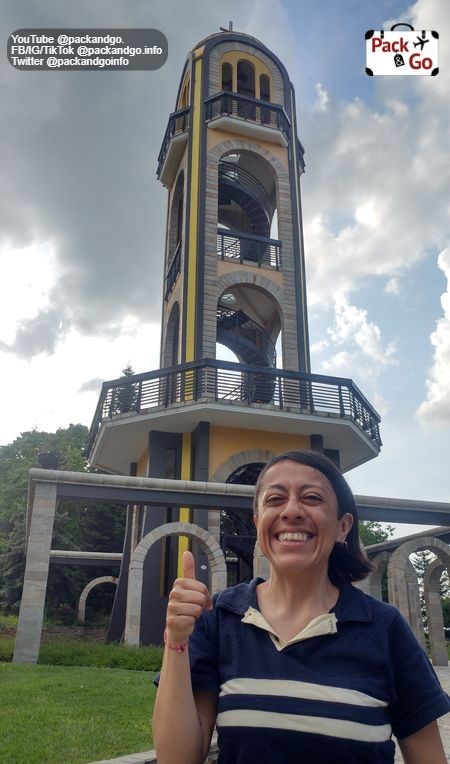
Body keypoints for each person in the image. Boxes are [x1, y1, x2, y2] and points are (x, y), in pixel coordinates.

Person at [153, 450, 450, 763]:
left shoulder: (385, 629)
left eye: (311, 497)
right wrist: (176, 641)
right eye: (275, 499)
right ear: (257, 522)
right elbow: (178, 758)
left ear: (343, 527)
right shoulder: (221, 616)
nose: (291, 510)